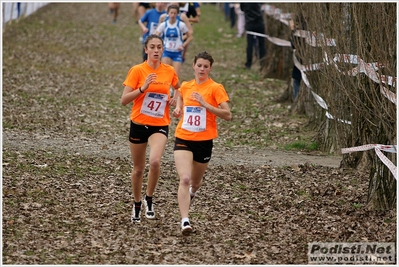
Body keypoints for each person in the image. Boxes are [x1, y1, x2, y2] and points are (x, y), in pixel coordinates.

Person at [120, 34, 180, 223]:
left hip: (160, 124)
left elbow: (179, 88)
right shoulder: (137, 71)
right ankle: (137, 203)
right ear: (146, 50)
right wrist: (142, 89)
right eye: (152, 47)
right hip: (138, 124)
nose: (156, 50)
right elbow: (123, 100)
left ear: (163, 50)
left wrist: (176, 101)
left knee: (154, 162)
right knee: (138, 169)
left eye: (159, 47)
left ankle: (149, 197)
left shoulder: (169, 71)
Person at [172, 51, 232, 234]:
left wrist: (206, 105)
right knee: (185, 179)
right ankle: (185, 220)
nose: (202, 69)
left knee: (196, 183)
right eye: (199, 65)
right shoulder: (186, 85)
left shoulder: (216, 88)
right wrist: (178, 107)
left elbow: (228, 115)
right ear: (193, 66)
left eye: (206, 66)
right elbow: (180, 95)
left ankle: (192, 192)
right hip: (183, 137)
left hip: (204, 141)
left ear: (210, 68)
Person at [155, 4, 193, 79]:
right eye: (171, 13)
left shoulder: (181, 25)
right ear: (168, 13)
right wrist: (159, 45)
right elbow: (155, 36)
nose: (172, 15)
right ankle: (166, 89)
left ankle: (173, 89)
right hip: (166, 51)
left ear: (177, 14)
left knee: (175, 76)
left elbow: (190, 37)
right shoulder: (163, 25)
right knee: (165, 73)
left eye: (174, 13)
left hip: (177, 53)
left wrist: (183, 45)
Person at [240, 3, 266, 70]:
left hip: (250, 23)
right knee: (261, 45)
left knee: (249, 45)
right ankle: (262, 63)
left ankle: (248, 63)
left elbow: (242, 9)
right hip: (259, 23)